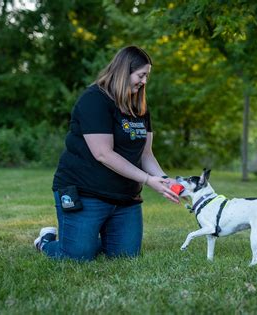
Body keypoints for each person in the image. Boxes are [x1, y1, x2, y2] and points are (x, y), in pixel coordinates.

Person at [34, 46, 180, 261]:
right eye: (141, 75)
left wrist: (166, 181)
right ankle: (45, 242)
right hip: (85, 192)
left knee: (125, 256)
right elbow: (103, 153)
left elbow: (146, 154)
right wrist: (148, 180)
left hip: (124, 197)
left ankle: (85, 237)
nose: (144, 82)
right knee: (78, 256)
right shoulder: (94, 100)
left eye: (147, 76)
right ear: (124, 71)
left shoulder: (139, 106)